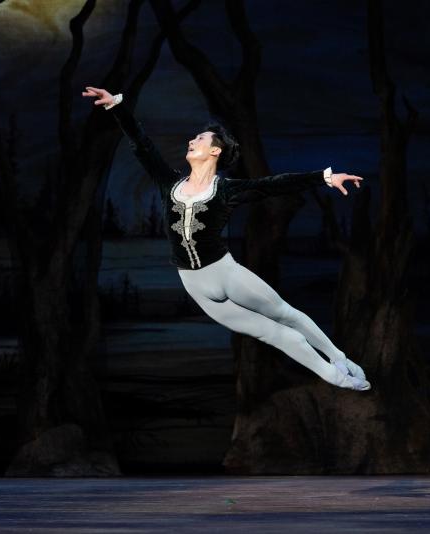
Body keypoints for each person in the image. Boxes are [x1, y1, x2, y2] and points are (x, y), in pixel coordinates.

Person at [82, 86, 370, 391]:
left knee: (286, 315)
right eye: (194, 138)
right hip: (195, 286)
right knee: (278, 336)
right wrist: (116, 106)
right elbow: (142, 145)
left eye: (201, 139)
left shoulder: (226, 190)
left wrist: (325, 177)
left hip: (226, 273)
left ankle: (338, 358)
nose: (192, 141)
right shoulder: (169, 184)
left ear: (215, 151)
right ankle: (335, 378)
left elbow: (272, 185)